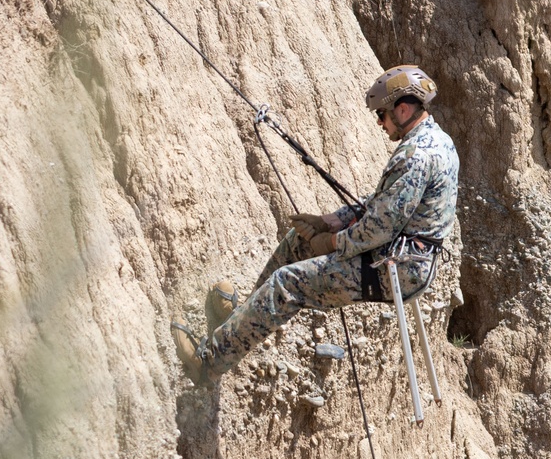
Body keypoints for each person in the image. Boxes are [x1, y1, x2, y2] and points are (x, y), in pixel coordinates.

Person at [172, 65, 458, 388]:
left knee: (287, 283)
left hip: (396, 270)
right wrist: (328, 221)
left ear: (403, 109)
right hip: (396, 255)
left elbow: (378, 228)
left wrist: (332, 241)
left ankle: (209, 362)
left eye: (382, 115)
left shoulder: (416, 156)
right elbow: (380, 204)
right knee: (298, 242)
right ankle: (242, 321)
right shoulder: (438, 140)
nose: (380, 123)